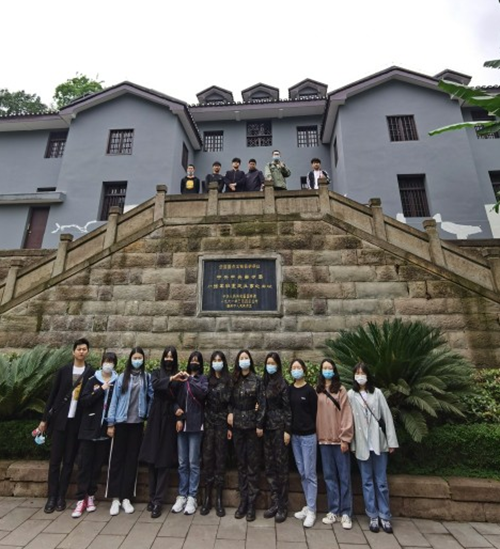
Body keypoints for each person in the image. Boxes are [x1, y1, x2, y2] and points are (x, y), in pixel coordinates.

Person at [37, 337, 94, 514]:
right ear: (73, 351)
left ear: (87, 352)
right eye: (79, 349)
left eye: (84, 349)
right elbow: (53, 396)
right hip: (60, 421)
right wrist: (44, 420)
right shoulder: (64, 371)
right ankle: (51, 497)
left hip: (76, 423)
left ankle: (61, 496)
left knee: (69, 461)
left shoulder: (90, 372)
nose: (81, 352)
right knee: (55, 461)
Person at [347, 362, 399, 534]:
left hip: (378, 443)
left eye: (363, 373)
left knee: (381, 482)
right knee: (367, 482)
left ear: (368, 375)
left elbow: (387, 417)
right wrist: (352, 444)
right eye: (357, 373)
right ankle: (373, 515)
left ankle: (385, 515)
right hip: (362, 444)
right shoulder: (351, 395)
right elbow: (349, 422)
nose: (360, 376)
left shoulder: (377, 393)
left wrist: (391, 442)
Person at [105, 347, 153, 516]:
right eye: (135, 357)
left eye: (140, 357)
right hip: (121, 422)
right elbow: (114, 400)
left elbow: (152, 397)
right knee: (117, 460)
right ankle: (115, 498)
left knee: (132, 461)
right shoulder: (121, 377)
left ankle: (126, 497)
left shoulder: (146, 378)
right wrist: (111, 423)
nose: (137, 360)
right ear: (130, 359)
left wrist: (148, 414)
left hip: (137, 423)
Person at [139, 346, 185, 519]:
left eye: (172, 357)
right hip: (155, 417)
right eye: (166, 356)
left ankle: (159, 500)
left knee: (163, 461)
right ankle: (151, 497)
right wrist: (172, 378)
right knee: (152, 460)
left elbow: (178, 398)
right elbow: (156, 385)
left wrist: (179, 416)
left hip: (169, 419)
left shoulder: (180, 377)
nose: (169, 359)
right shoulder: (156, 373)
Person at [72, 351, 118, 518]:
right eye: (106, 361)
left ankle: (90, 496)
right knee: (84, 465)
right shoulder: (93, 380)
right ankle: (80, 499)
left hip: (104, 430)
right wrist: (100, 390)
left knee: (97, 466)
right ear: (101, 362)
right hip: (89, 430)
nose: (108, 364)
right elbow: (84, 401)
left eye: (111, 361)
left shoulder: (117, 381)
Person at [316, 358, 354, 530]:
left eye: (329, 368)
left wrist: (345, 438)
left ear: (334, 370)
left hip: (339, 441)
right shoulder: (318, 390)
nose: (327, 370)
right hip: (324, 440)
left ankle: (346, 512)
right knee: (329, 477)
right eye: (324, 368)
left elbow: (346, 414)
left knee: (344, 477)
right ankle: (333, 510)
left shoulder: (341, 390)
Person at [228, 349, 265, 522]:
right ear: (238, 361)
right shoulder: (233, 380)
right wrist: (230, 413)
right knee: (241, 465)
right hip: (237, 427)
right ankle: (243, 502)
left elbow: (262, 404)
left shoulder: (257, 380)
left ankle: (251, 504)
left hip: (251, 427)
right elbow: (228, 401)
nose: (244, 360)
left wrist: (259, 424)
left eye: (246, 358)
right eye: (241, 358)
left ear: (250, 361)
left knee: (252, 465)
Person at [171, 351, 208, 515]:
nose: (194, 362)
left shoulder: (202, 379)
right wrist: (177, 413)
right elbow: (174, 399)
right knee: (182, 463)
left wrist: (191, 379)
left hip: (195, 425)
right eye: (192, 360)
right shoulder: (181, 379)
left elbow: (202, 394)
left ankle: (192, 496)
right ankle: (182, 495)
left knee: (193, 462)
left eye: (197, 360)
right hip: (182, 425)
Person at [200, 350, 232, 517]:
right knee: (207, 459)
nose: (217, 362)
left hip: (222, 424)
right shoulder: (207, 380)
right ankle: (207, 499)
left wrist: (230, 427)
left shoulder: (229, 380)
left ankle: (219, 499)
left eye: (220, 360)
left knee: (220, 459)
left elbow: (232, 404)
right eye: (215, 360)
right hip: (209, 423)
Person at [262, 352, 292, 523]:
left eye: (273, 363)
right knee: (270, 466)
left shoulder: (282, 383)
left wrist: (287, 429)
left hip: (279, 428)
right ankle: (274, 502)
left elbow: (287, 409)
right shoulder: (264, 382)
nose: (270, 366)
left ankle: (283, 505)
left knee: (281, 468)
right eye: (268, 363)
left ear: (278, 365)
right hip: (267, 429)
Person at [289, 358, 318, 528]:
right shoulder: (290, 389)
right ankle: (308, 505)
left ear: (304, 370)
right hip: (295, 437)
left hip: (308, 436)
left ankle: (312, 510)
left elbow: (315, 413)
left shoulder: (309, 391)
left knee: (310, 473)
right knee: (302, 472)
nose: (296, 370)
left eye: (298, 367)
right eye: (293, 367)